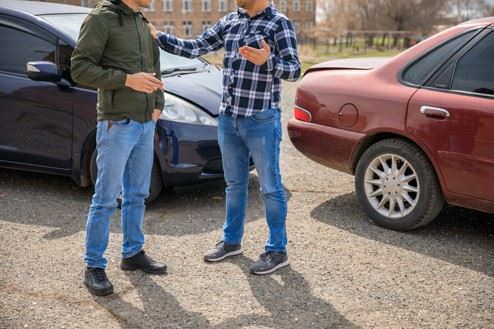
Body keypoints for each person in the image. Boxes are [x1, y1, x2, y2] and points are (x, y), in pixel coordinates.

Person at [149, 0, 301, 275]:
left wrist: (269, 61)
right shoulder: (230, 21)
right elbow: (196, 47)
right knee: (234, 184)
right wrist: (159, 37)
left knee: (270, 186)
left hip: (261, 120)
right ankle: (232, 242)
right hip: (228, 119)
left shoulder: (279, 23)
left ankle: (277, 250)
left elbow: (294, 69)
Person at [71, 0, 167, 296]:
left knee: (138, 193)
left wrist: (158, 105)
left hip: (145, 122)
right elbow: (80, 68)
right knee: (106, 197)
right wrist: (126, 80)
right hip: (117, 123)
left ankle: (132, 253)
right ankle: (94, 266)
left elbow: (154, 67)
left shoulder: (141, 20)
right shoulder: (101, 19)